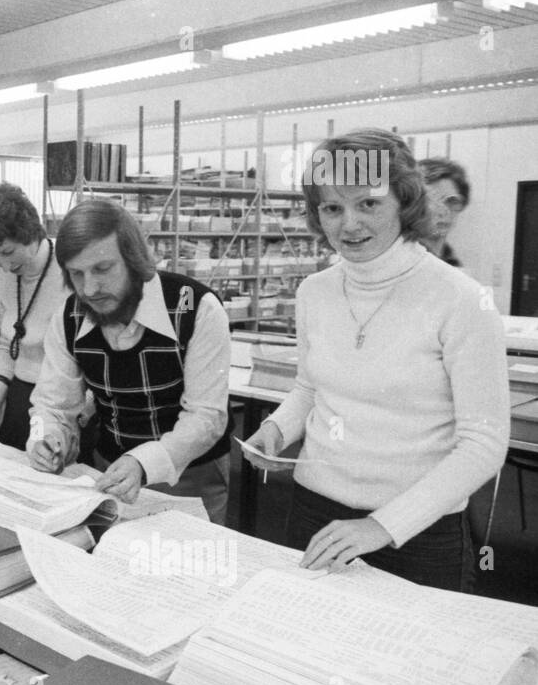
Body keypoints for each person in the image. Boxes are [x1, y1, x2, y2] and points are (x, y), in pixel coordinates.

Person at [244, 129, 508, 591]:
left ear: (404, 203)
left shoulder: (460, 299)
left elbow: (483, 444)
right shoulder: (315, 292)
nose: (349, 225)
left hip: (416, 529)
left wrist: (381, 526)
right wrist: (276, 431)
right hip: (314, 510)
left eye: (368, 204)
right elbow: (309, 388)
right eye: (332, 207)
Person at [28, 199, 233, 524]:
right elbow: (49, 405)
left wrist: (142, 463)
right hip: (109, 468)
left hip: (190, 473)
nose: (89, 288)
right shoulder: (67, 317)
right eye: (76, 274)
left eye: (103, 269)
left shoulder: (198, 308)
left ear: (134, 259)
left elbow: (206, 418)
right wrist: (43, 436)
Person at [0, 181, 69, 449]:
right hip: (19, 395)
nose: (5, 266)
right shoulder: (4, 277)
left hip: (62, 403)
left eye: (8, 252)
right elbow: (9, 345)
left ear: (29, 231)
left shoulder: (71, 270)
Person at [418, 157, 470, 268]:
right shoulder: (398, 261)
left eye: (451, 201)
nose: (443, 212)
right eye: (431, 202)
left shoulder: (452, 262)